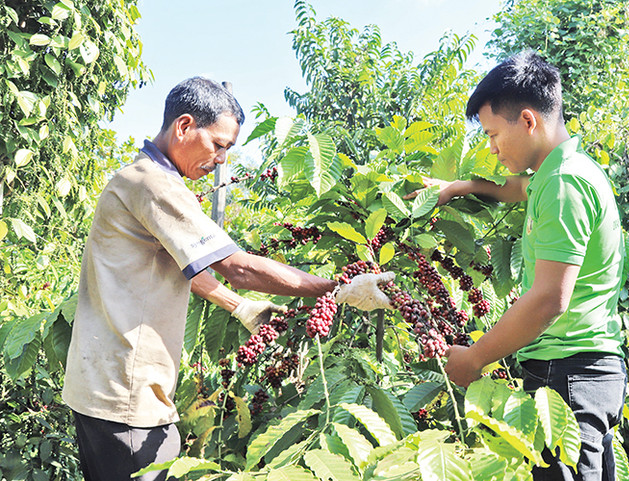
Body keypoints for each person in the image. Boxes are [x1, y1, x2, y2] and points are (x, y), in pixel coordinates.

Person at [62, 77, 393, 481]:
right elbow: (238, 267)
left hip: (101, 387)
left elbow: (188, 266)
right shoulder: (155, 182)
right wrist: (339, 290)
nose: (221, 160)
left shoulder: (138, 177)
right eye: (218, 145)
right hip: (128, 398)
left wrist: (240, 307)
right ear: (184, 127)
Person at [410, 52, 627, 480]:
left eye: (492, 134)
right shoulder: (562, 171)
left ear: (528, 121)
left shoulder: (565, 184)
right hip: (585, 375)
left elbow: (549, 299)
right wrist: (457, 187)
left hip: (567, 377)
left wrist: (474, 359)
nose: (490, 148)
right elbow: (517, 190)